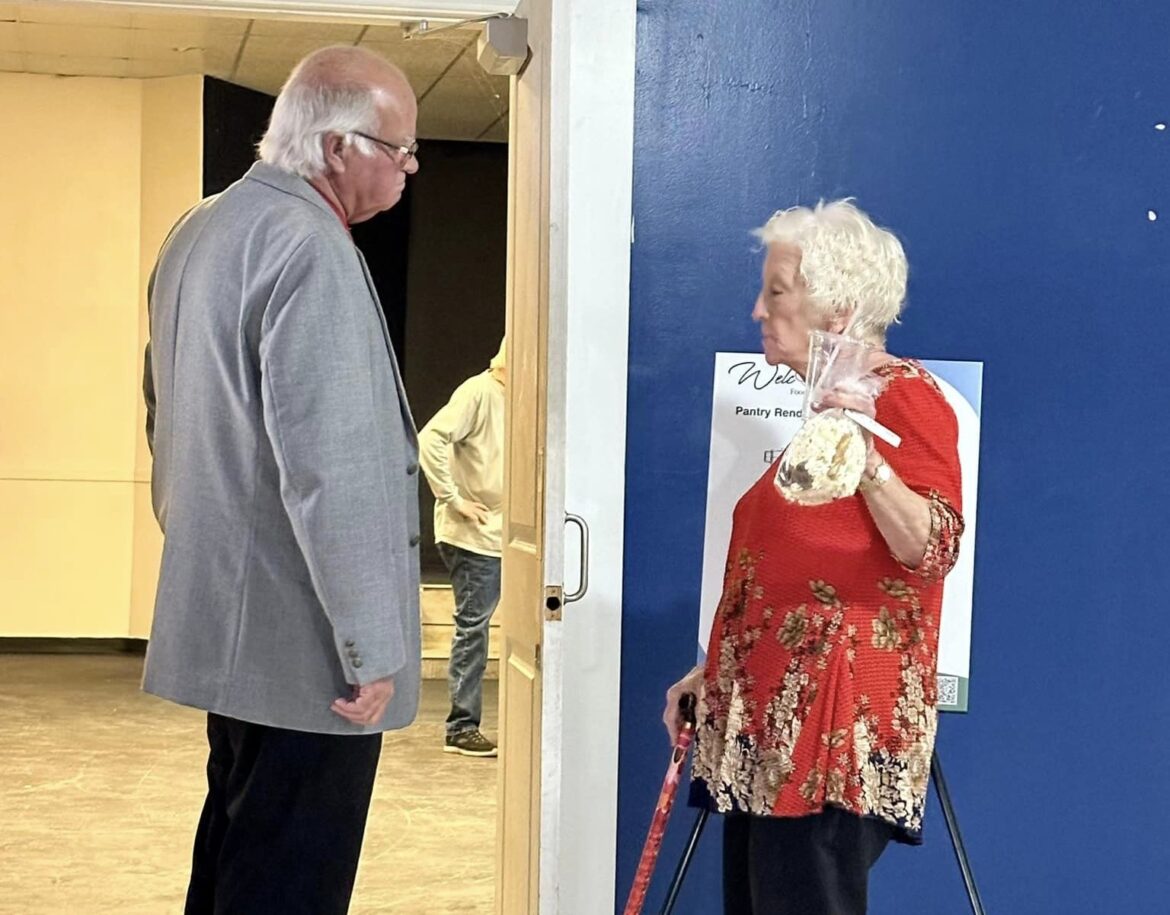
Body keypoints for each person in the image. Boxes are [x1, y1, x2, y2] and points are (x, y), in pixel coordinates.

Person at [142, 46, 423, 915]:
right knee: (290, 878)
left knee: (235, 852)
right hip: (309, 649)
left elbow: (162, 410)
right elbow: (333, 466)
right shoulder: (312, 247)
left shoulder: (202, 227)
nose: (410, 168)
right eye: (400, 149)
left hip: (232, 619)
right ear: (338, 147)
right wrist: (369, 643)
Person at [663, 200, 965, 914]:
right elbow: (796, 576)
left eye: (776, 291)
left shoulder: (906, 400)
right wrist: (716, 669)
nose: (757, 310)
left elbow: (933, 546)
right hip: (769, 729)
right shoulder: (824, 417)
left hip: (829, 741)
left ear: (840, 307)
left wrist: (868, 459)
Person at [417, 340, 506, 757]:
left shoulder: (518, 399)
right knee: (473, 627)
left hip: (507, 534)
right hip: (474, 535)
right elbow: (430, 439)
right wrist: (453, 499)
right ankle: (461, 726)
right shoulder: (478, 392)